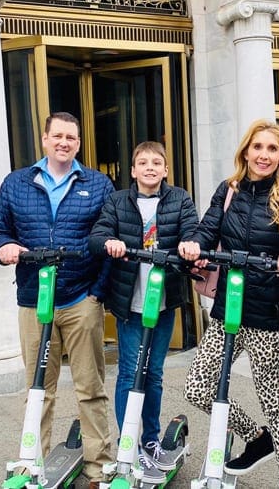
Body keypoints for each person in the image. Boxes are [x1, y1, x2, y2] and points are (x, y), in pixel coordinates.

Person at [178, 119, 279, 489]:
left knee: (275, 404)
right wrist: (193, 242)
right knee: (197, 388)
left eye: (273, 149)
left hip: (266, 316)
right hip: (227, 310)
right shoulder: (229, 190)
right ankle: (258, 438)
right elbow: (207, 229)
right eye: (258, 147)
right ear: (246, 151)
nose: (264, 155)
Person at [0, 112, 114, 489]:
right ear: (44, 139)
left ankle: (98, 467)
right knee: (39, 389)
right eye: (57, 136)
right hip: (33, 300)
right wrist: (4, 246)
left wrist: (97, 293)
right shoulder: (16, 183)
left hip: (80, 300)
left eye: (71, 138)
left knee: (90, 388)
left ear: (78, 143)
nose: (64, 142)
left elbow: (109, 240)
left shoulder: (98, 183)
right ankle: (31, 465)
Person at [88, 141, 199, 482]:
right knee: (129, 373)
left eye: (157, 162)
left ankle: (150, 440)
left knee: (153, 372)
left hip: (163, 301)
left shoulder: (178, 198)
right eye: (143, 162)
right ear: (133, 170)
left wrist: (189, 244)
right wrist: (110, 242)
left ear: (165, 170)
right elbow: (98, 234)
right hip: (129, 301)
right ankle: (129, 443)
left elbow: (192, 231)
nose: (150, 167)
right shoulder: (118, 201)